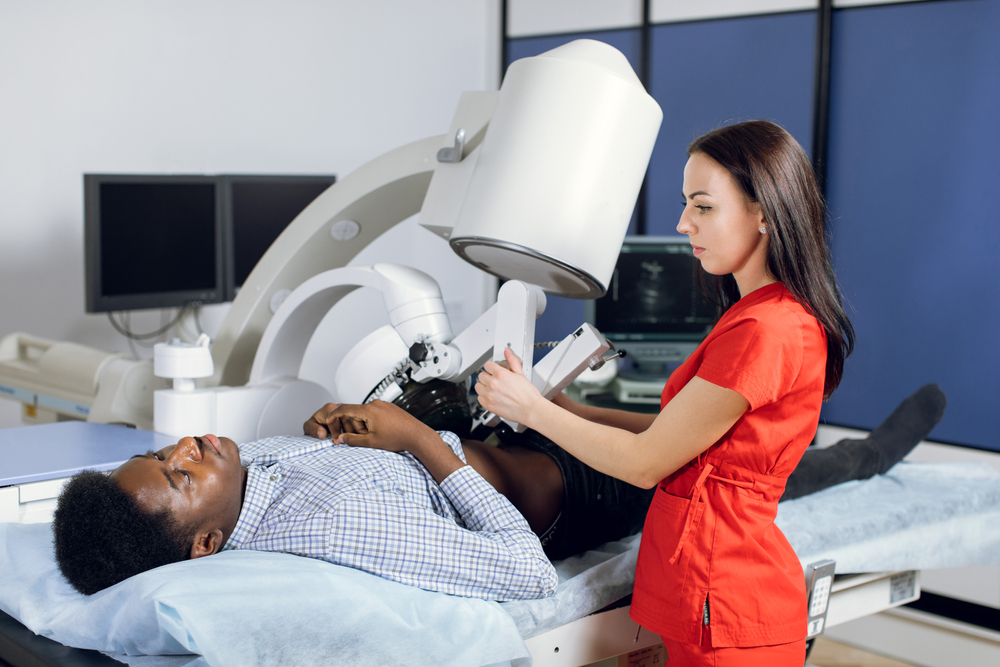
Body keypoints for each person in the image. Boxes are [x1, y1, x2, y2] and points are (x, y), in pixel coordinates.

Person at [471, 120, 928, 664]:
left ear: (764, 212)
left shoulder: (767, 330)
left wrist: (530, 410)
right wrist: (565, 408)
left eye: (703, 206)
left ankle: (874, 452)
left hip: (730, 601)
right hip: (713, 593)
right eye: (687, 204)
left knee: (838, 463)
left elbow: (646, 463)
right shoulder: (757, 314)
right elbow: (680, 434)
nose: (684, 223)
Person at [52, 380, 943, 602]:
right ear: (205, 543)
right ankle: (858, 459)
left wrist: (394, 414)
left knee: (680, 408)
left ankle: (776, 417)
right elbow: (523, 572)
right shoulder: (327, 529)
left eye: (168, 448)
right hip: (577, 485)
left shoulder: (257, 481)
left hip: (506, 435)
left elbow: (389, 453)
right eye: (179, 472)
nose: (192, 443)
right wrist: (413, 441)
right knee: (740, 466)